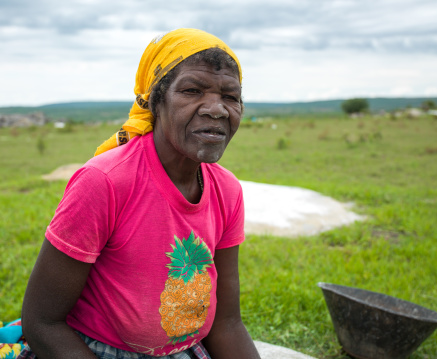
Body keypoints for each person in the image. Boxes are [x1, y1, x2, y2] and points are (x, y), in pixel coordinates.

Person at [19, 28, 261, 359]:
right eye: (192, 91)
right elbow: (42, 323)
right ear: (155, 101)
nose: (216, 109)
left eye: (231, 97)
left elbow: (227, 323)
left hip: (185, 349)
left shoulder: (227, 190)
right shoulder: (104, 182)